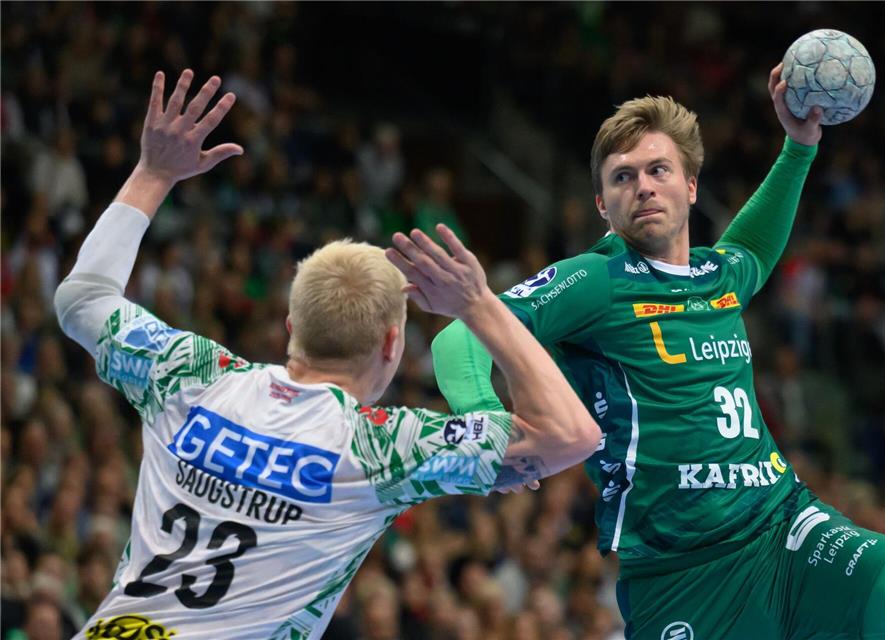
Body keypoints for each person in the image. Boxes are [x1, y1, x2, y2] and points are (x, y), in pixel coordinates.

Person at [54, 69, 600, 640]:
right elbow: (571, 435)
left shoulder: (189, 375)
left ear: (292, 326)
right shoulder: (379, 448)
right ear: (391, 344)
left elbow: (82, 298)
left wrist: (152, 173)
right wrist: (478, 304)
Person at [431, 64, 885, 639]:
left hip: (788, 530)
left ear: (690, 187)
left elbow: (753, 243)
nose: (643, 186)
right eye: (623, 177)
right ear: (603, 205)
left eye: (658, 169)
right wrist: (489, 429)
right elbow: (459, 334)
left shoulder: (718, 275)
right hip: (681, 576)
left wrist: (799, 147)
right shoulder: (597, 279)